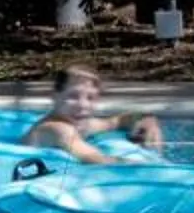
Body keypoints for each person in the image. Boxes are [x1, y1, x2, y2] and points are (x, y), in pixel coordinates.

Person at [24, 65, 164, 163]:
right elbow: (95, 159)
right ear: (55, 96)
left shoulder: (82, 124)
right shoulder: (57, 129)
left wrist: (148, 121)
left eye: (90, 98)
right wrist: (143, 166)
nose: (82, 105)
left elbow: (117, 121)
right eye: (73, 96)